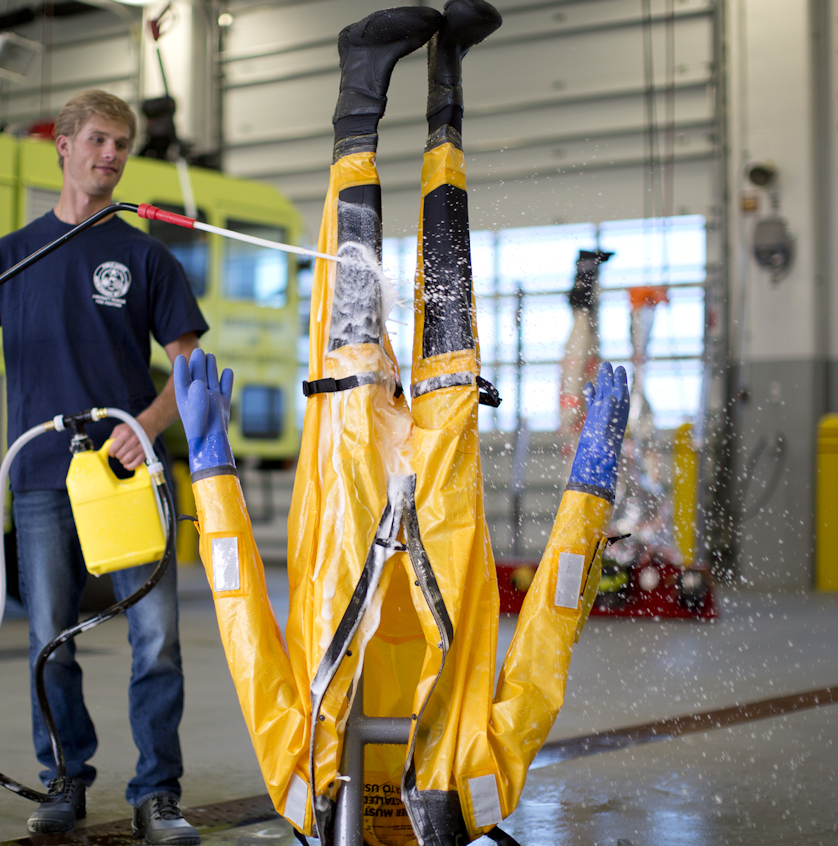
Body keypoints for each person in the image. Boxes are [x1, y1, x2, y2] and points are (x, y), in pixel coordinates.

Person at [170, 4, 630, 846]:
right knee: (451, 307)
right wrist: (588, 496)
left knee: (352, 301)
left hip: (346, 517)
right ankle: (446, 88)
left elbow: (245, 630)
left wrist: (211, 473)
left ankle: (359, 93)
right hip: (441, 522)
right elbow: (546, 642)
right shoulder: (476, 794)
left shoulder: (302, 788)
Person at [0, 90, 204, 844]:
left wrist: (144, 427)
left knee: (157, 639)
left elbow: (192, 370)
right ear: (63, 146)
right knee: (49, 640)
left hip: (128, 475)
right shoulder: (15, 255)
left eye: (121, 144)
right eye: (97, 139)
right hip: (39, 477)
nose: (111, 155)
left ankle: (158, 794)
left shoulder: (146, 257)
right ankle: (66, 780)